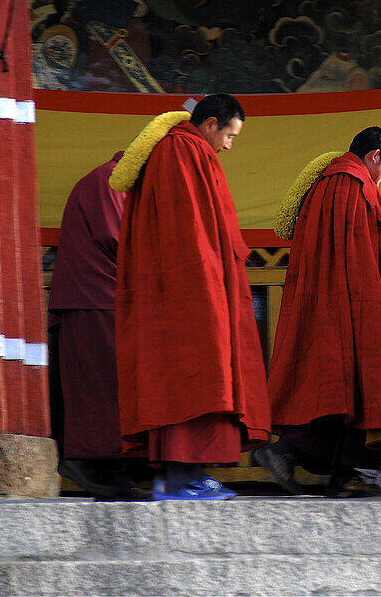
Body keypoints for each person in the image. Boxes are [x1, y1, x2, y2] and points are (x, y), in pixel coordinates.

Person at [111, 94, 271, 501]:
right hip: (192, 287)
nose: (228, 146)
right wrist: (208, 286)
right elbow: (190, 229)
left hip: (192, 285)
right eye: (229, 135)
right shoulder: (181, 150)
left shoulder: (183, 149)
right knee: (196, 374)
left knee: (193, 377)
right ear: (211, 123)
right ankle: (182, 478)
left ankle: (184, 476)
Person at [257, 127, 381, 496]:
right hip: (349, 305)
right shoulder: (351, 185)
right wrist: (373, 312)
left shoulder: (331, 183)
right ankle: (285, 452)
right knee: (345, 389)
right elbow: (358, 258)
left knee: (345, 394)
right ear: (374, 156)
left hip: (326, 303)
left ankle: (339, 473)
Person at [48, 151, 150, 500]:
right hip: (96, 296)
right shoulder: (110, 180)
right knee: (105, 388)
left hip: (107, 298)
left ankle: (110, 467)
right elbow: (120, 240)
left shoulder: (125, 182)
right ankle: (95, 466)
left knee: (110, 388)